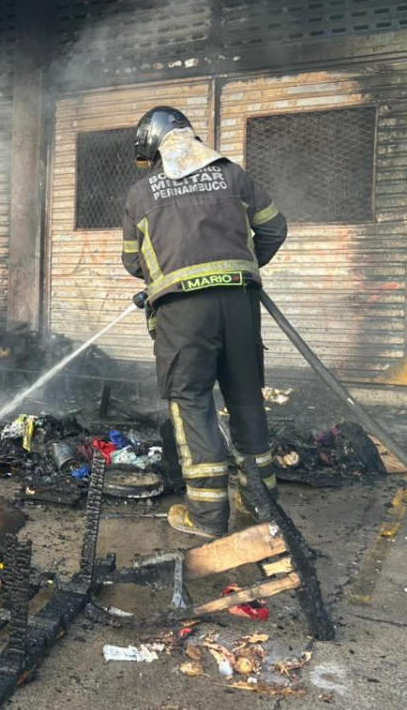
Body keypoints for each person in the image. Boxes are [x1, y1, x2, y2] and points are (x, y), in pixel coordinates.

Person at [121, 106, 287, 539]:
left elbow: (132, 261)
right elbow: (274, 229)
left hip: (182, 315)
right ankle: (262, 506)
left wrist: (168, 271)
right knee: (246, 399)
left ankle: (208, 518)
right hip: (239, 304)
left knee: (193, 403)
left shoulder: (142, 193)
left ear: (154, 145)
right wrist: (240, 268)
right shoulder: (234, 176)